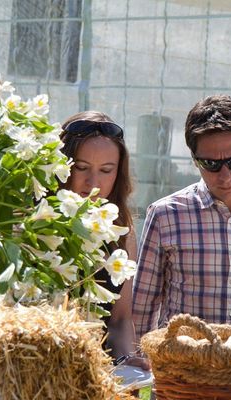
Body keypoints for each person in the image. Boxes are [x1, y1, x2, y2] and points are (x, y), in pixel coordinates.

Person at [132, 95, 231, 337]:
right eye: (211, 164)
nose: (225, 175)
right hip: (185, 365)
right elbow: (142, 309)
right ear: (194, 160)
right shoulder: (166, 215)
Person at [60, 111, 149, 370]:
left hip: (94, 372)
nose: (93, 183)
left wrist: (125, 360)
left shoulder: (121, 230)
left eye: (106, 170)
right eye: (81, 168)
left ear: (119, 173)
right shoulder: (35, 224)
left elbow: (119, 319)